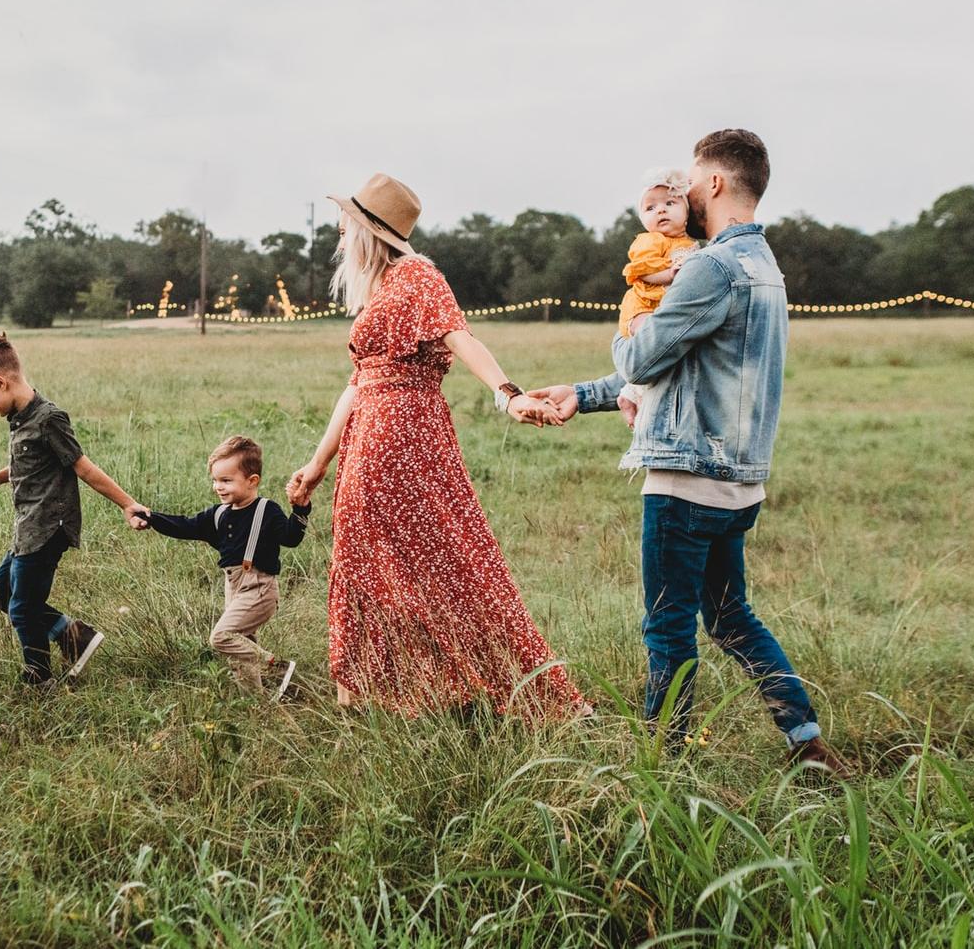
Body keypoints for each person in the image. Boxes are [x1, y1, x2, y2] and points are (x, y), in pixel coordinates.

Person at [529, 130, 850, 775]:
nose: (683, 192)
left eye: (692, 179)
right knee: (731, 616)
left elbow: (645, 355)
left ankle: (662, 763)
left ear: (716, 184)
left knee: (667, 625)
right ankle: (806, 742)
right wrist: (584, 394)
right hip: (740, 482)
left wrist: (630, 325)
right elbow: (686, 367)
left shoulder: (709, 266)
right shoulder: (765, 268)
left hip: (687, 478)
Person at [286, 172, 589, 718]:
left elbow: (460, 336)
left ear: (369, 230)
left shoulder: (417, 276)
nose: (337, 232)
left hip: (402, 435)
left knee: (444, 559)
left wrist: (507, 394)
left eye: (345, 223)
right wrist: (316, 464)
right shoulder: (381, 288)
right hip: (371, 436)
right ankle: (374, 692)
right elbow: (356, 385)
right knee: (367, 561)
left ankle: (478, 686)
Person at [0, 332, 149, 687]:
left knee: (22, 608)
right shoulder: (19, 418)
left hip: (48, 528)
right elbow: (31, 465)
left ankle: (39, 678)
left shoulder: (48, 419)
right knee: (0, 593)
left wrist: (128, 504)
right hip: (27, 527)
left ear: (1, 382)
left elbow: (83, 468)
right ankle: (74, 636)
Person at [136, 436, 308, 699]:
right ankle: (255, 704)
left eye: (226, 480)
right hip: (234, 587)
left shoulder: (266, 510)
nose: (218, 487)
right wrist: (151, 518)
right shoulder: (218, 514)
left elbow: (291, 538)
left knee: (222, 637)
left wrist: (300, 508)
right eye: (215, 480)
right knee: (241, 650)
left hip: (260, 588)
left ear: (253, 481)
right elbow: (185, 526)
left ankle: (275, 667)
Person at [617, 168, 698, 420]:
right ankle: (635, 395)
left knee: (665, 350)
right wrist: (669, 275)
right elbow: (642, 271)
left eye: (670, 203)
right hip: (642, 306)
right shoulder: (650, 240)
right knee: (651, 342)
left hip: (662, 308)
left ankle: (629, 394)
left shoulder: (690, 245)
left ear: (686, 211)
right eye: (650, 208)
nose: (660, 210)